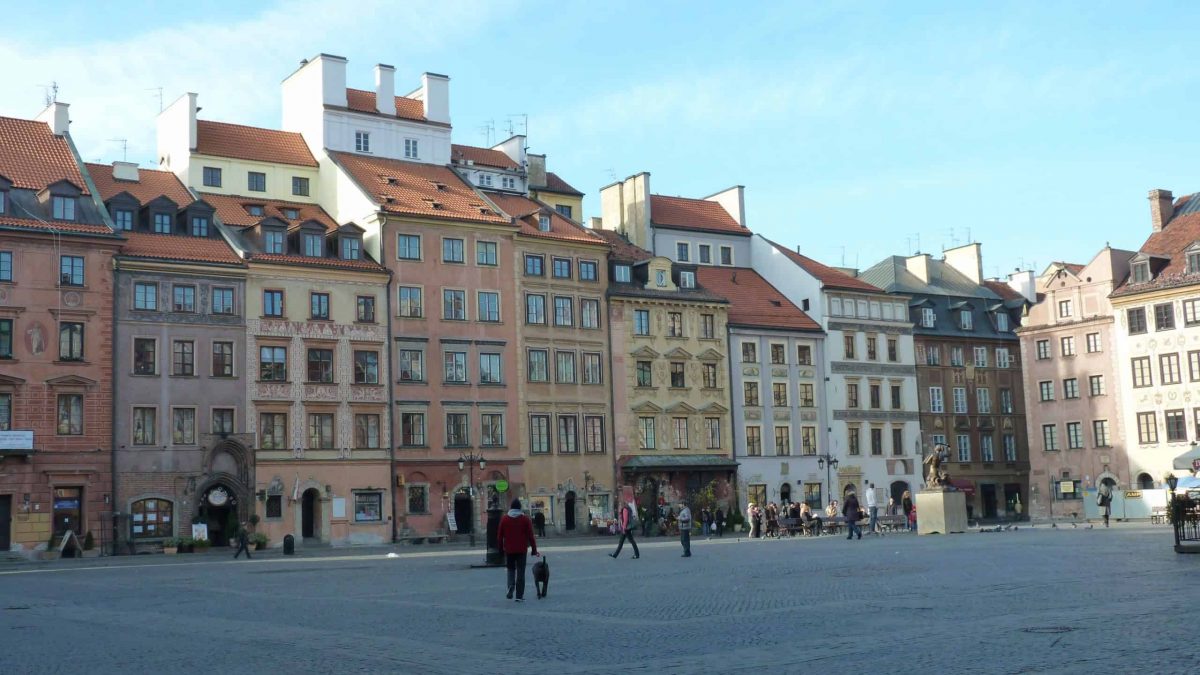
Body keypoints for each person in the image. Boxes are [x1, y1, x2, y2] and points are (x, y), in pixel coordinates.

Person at [497, 499, 539, 602]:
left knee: (511, 570)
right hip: (521, 550)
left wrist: (500, 549)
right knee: (521, 572)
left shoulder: (505, 519)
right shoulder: (525, 519)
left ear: (511, 507)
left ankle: (511, 586)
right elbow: (531, 536)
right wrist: (534, 550)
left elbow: (499, 536)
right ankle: (519, 596)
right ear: (520, 507)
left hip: (509, 549)